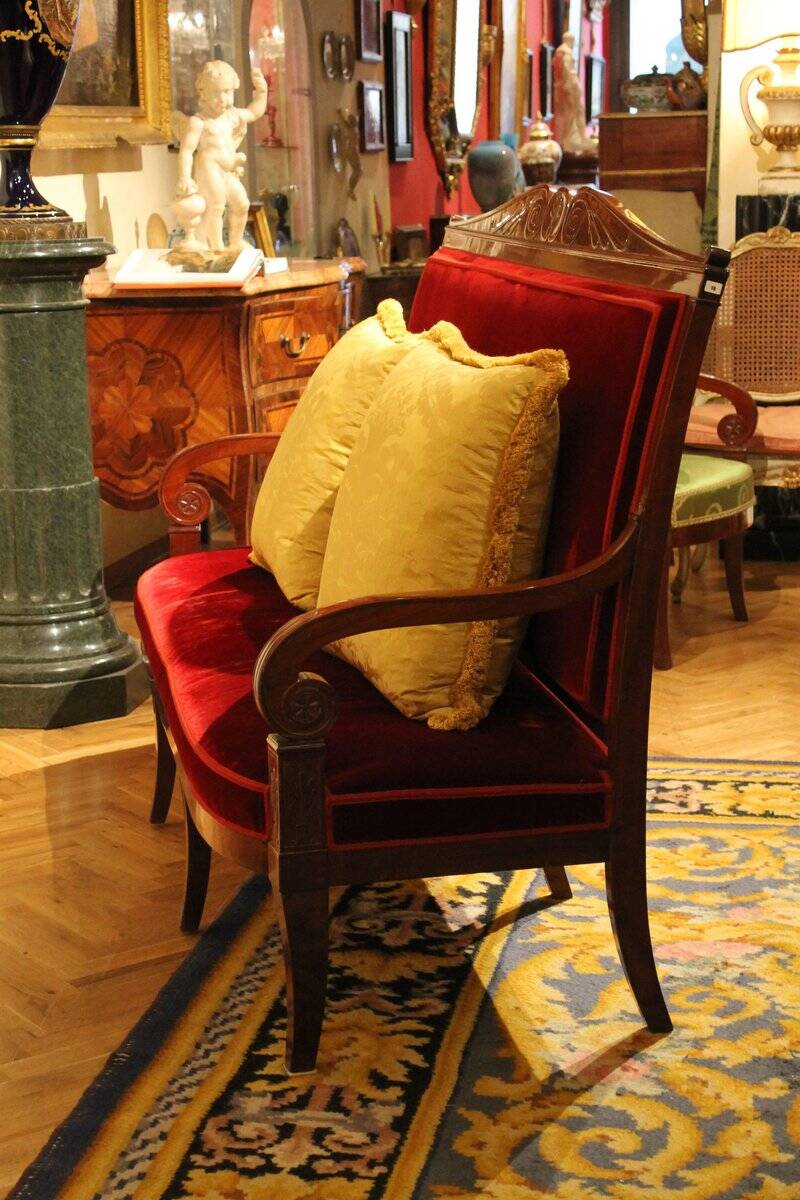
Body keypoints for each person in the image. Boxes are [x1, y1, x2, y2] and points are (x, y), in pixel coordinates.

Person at [175, 61, 267, 252]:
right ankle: (216, 247)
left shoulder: (231, 116)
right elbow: (186, 151)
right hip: (209, 169)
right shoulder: (198, 122)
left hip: (227, 172)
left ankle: (236, 242)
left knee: (242, 203)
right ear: (203, 93)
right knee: (216, 205)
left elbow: (254, 111)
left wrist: (262, 92)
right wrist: (184, 177)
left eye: (227, 92)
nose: (223, 98)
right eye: (216, 93)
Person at [552, 32, 595, 155]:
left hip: (569, 84)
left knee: (575, 111)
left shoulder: (562, 51)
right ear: (569, 40)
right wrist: (568, 84)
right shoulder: (564, 52)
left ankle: (577, 138)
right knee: (571, 112)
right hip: (569, 85)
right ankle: (569, 139)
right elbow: (565, 69)